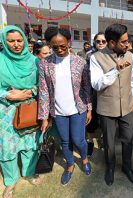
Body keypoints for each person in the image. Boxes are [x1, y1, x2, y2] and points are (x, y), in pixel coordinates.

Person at [38, 27, 92, 186]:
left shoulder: (80, 62)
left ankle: (84, 158)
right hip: (58, 111)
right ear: (50, 46)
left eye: (63, 45)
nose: (60, 49)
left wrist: (89, 108)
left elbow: (86, 87)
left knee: (79, 139)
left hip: (78, 109)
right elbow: (43, 91)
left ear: (69, 42)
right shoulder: (44, 64)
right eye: (55, 47)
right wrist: (44, 117)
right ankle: (69, 165)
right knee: (65, 141)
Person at [90, 23, 133, 186]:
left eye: (128, 41)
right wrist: (114, 70)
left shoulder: (130, 56)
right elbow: (96, 84)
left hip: (127, 106)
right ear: (112, 43)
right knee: (109, 143)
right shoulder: (95, 58)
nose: (128, 45)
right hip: (106, 108)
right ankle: (110, 167)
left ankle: (127, 167)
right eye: (123, 42)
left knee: (128, 139)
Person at [0, 25, 41, 198]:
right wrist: (8, 94)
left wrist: (30, 91)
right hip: (6, 111)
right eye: (11, 41)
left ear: (24, 40)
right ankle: (10, 181)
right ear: (4, 41)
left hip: (29, 109)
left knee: (30, 143)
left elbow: (43, 86)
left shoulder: (34, 61)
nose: (16, 44)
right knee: (7, 147)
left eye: (19, 40)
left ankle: (29, 172)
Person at [86, 32, 107, 156]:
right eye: (98, 41)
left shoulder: (110, 55)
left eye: (103, 41)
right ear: (94, 42)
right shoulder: (89, 56)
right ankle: (89, 141)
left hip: (105, 93)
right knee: (91, 119)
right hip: (92, 92)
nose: (100, 43)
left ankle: (104, 140)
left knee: (105, 119)